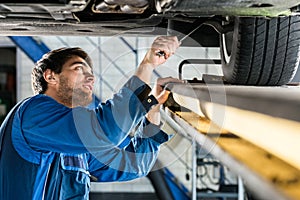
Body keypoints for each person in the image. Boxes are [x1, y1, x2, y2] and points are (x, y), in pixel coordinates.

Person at [0, 36, 181, 199]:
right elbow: (105, 130)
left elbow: (134, 165)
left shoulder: (76, 145)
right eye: (79, 68)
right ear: (50, 76)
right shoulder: (33, 114)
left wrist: (154, 109)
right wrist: (147, 64)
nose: (91, 77)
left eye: (91, 72)